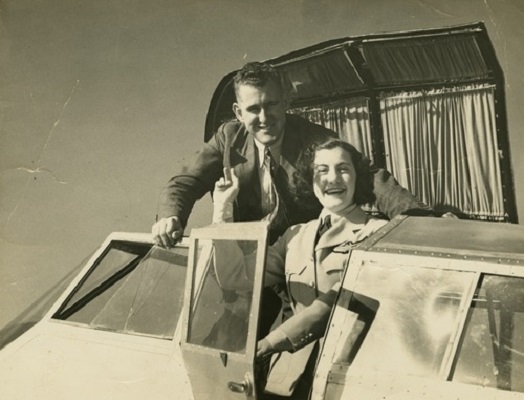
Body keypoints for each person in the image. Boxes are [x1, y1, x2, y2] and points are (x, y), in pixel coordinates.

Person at [152, 61, 431, 249]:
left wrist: (419, 221)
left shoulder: (315, 139)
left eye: (272, 104)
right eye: (253, 109)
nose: (264, 118)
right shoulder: (227, 138)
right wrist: (170, 217)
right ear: (238, 113)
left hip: (298, 258)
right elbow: (184, 182)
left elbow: (369, 178)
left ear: (286, 101)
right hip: (246, 261)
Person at [211, 138, 389, 398]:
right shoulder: (295, 236)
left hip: (351, 379)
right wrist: (222, 209)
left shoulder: (379, 233)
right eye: (322, 170)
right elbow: (234, 276)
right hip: (290, 379)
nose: (333, 178)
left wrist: (273, 341)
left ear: (357, 178)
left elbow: (340, 298)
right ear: (310, 180)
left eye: (343, 169)